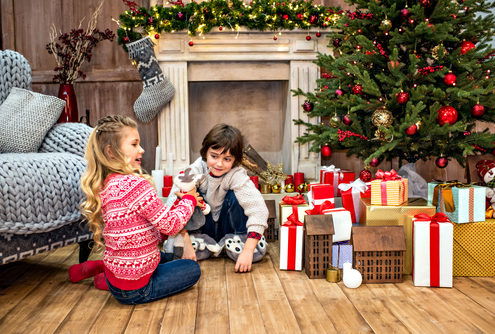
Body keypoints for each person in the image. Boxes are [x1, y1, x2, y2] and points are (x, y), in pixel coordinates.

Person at [69, 115, 202, 305]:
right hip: (138, 289)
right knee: (191, 269)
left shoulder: (106, 183)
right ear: (111, 152)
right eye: (134, 144)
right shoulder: (135, 185)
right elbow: (171, 226)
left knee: (170, 256)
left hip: (121, 274)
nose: (142, 149)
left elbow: (148, 227)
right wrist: (189, 198)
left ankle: (98, 270)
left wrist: (177, 204)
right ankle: (102, 274)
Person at [166, 123, 269, 273]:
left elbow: (258, 209)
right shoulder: (196, 169)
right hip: (203, 228)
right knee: (188, 194)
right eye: (214, 156)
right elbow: (173, 205)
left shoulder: (236, 174)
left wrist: (247, 251)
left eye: (227, 159)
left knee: (236, 195)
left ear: (235, 160)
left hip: (229, 227)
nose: (219, 164)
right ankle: (197, 239)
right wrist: (186, 240)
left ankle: (239, 239)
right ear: (205, 153)